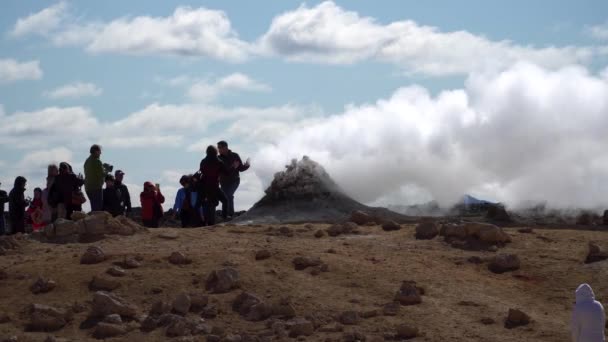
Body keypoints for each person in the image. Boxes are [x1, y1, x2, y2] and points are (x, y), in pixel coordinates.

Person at [217, 141, 250, 220]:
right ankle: (226, 215)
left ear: (225, 147)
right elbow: (220, 172)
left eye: (220, 147)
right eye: (218, 148)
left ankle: (230, 215)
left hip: (234, 180)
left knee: (229, 195)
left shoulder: (235, 156)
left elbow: (240, 168)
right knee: (225, 198)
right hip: (223, 182)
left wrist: (247, 165)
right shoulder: (218, 158)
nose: (219, 149)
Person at [199, 145, 229, 226]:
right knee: (224, 200)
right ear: (215, 152)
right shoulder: (218, 162)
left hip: (205, 186)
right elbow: (227, 173)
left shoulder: (203, 161)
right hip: (215, 186)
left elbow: (201, 172)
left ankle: (209, 223)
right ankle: (224, 218)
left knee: (210, 204)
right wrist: (233, 167)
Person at [84, 144, 105, 211]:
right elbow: (102, 174)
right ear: (96, 151)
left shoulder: (87, 161)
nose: (100, 153)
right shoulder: (97, 161)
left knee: (94, 207)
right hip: (96, 187)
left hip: (88, 188)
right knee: (98, 209)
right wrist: (106, 170)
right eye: (99, 151)